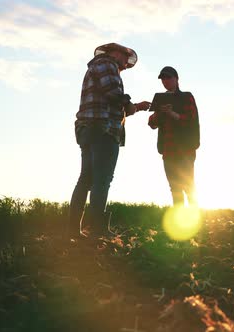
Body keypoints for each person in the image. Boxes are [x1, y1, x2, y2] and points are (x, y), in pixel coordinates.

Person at [69, 43, 151, 239]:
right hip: (104, 130)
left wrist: (136, 107)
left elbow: (112, 104)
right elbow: (114, 94)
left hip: (88, 128)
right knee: (102, 180)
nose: (124, 64)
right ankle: (97, 229)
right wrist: (129, 103)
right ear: (115, 53)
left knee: (86, 179)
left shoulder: (95, 67)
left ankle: (73, 231)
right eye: (124, 58)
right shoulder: (107, 64)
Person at [148, 66, 200, 207]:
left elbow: (191, 119)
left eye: (168, 78)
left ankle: (196, 222)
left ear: (176, 79)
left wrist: (172, 114)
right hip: (168, 150)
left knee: (189, 187)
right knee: (175, 189)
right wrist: (160, 113)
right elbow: (151, 123)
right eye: (163, 79)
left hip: (186, 150)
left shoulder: (187, 97)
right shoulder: (160, 100)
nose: (165, 81)